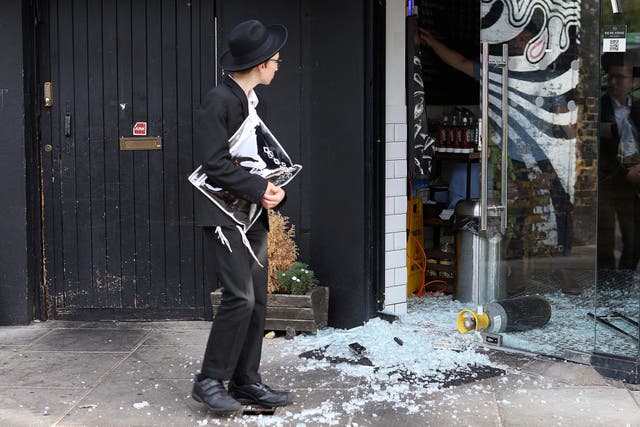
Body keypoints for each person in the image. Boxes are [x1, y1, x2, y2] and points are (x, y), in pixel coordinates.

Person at [191, 19, 291, 415]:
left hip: (248, 211)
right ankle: (209, 381)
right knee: (239, 297)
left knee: (258, 301)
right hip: (221, 211)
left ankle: (246, 381)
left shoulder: (246, 100)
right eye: (276, 60)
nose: (279, 65)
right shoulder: (220, 99)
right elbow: (213, 164)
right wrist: (255, 188)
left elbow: (248, 162)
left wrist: (272, 186)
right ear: (261, 63)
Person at [598, 52, 640, 273]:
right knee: (603, 238)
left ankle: (623, 282)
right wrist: (623, 170)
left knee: (634, 239)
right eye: (610, 76)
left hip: (634, 183)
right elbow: (593, 147)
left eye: (620, 77)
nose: (613, 82)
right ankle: (605, 285)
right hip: (607, 181)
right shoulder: (598, 107)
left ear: (634, 82)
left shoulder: (638, 108)